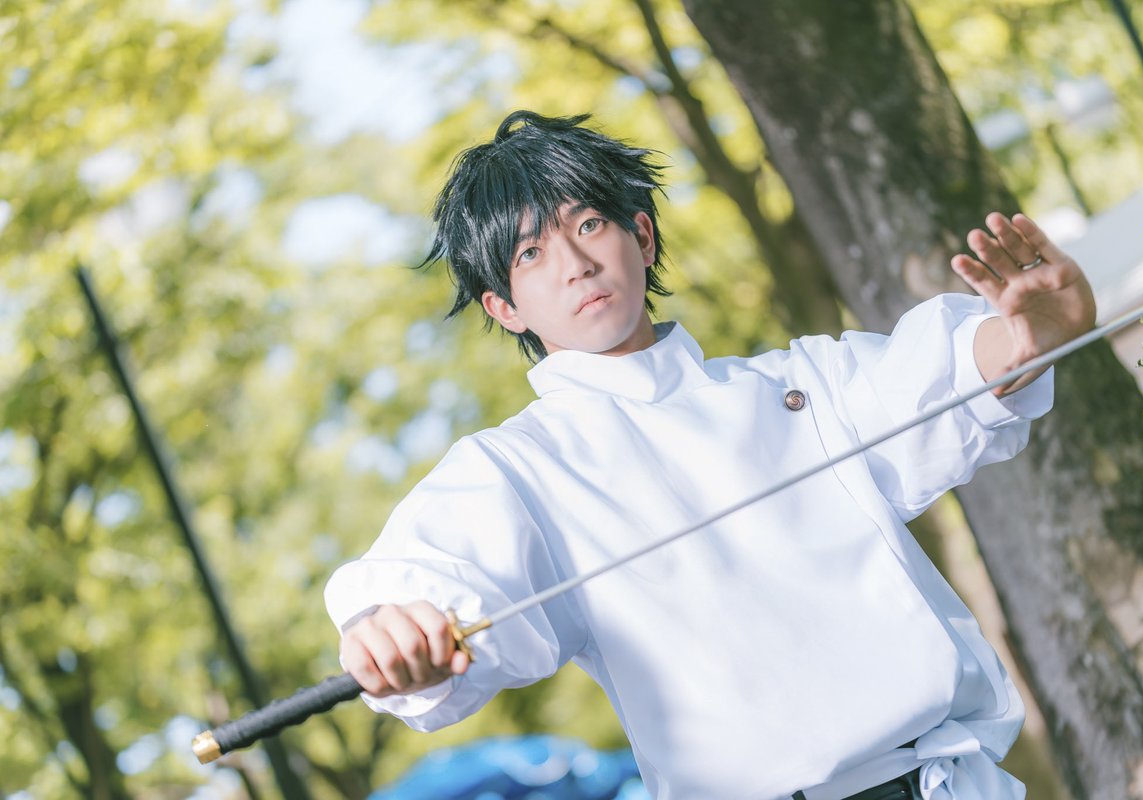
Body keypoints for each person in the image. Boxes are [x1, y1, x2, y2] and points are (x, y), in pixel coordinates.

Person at [324, 111, 1096, 800]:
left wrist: (1027, 337)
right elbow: (423, 585)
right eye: (530, 253)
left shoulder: (803, 383)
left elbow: (942, 375)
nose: (573, 263)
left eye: (587, 223)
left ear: (642, 235)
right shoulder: (516, 470)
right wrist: (386, 631)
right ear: (503, 306)